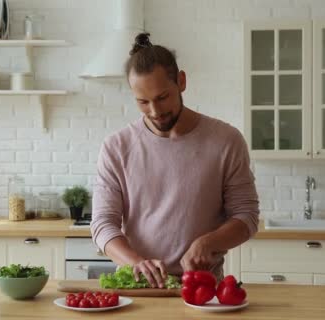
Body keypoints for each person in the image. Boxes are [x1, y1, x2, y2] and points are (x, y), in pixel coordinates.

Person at [91, 33, 259, 288]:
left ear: (181, 82)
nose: (155, 111)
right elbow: (103, 225)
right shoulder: (116, 147)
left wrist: (208, 242)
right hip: (138, 289)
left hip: (203, 289)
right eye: (143, 102)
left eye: (162, 97)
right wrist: (135, 262)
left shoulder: (226, 141)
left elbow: (246, 217)